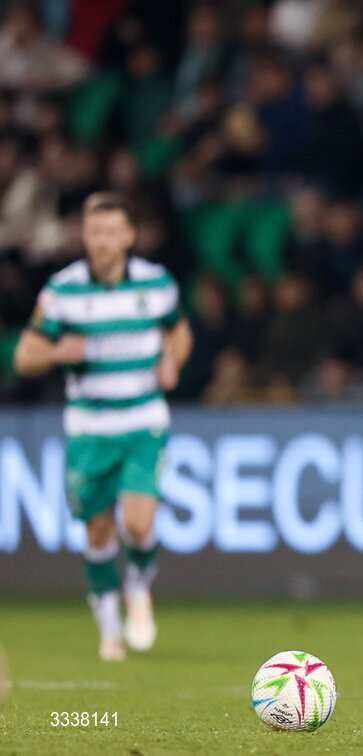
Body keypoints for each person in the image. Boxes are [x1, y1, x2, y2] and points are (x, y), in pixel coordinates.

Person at [14, 191, 192, 661]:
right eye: (94, 232)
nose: (101, 241)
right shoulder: (62, 291)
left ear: (129, 236)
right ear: (84, 236)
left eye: (111, 232)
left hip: (143, 421)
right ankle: (109, 627)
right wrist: (55, 353)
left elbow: (178, 330)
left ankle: (137, 587)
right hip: (89, 428)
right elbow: (23, 356)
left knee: (138, 523)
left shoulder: (156, 285)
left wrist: (173, 359)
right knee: (98, 532)